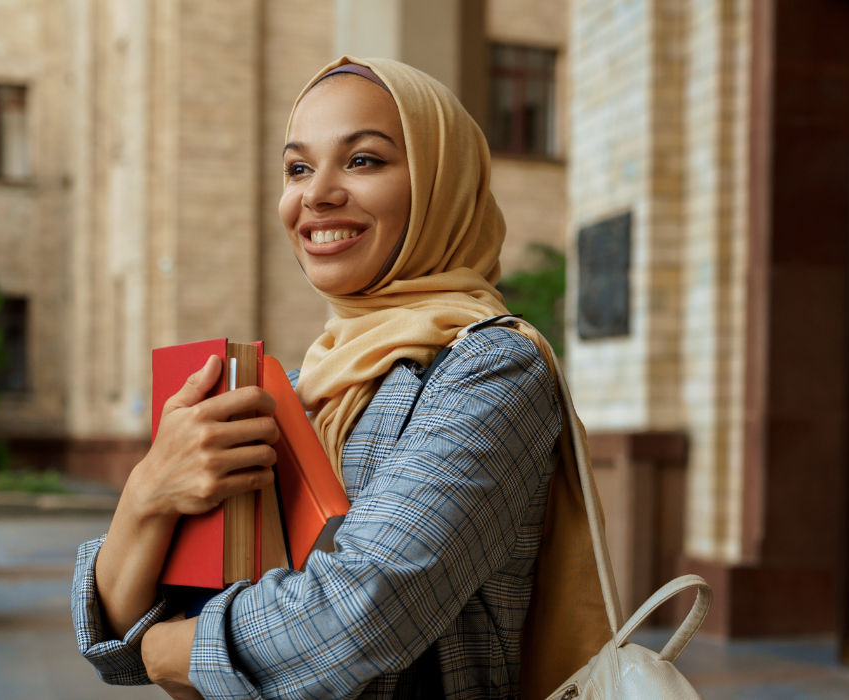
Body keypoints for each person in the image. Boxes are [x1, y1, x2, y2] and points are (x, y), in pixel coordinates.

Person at [70, 57, 600, 700]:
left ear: (441, 183)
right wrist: (146, 495)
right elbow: (119, 629)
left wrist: (158, 648)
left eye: (364, 161)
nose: (315, 194)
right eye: (297, 167)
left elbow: (365, 608)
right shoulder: (298, 386)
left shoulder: (490, 369)